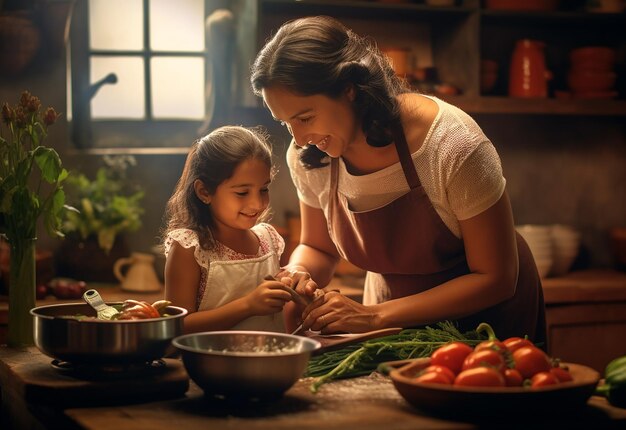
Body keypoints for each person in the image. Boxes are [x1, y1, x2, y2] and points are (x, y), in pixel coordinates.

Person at [251, 16, 546, 343]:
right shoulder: (311, 155)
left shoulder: (452, 146)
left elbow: (496, 278)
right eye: (286, 123)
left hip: (485, 327)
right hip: (387, 323)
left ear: (349, 88)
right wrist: (298, 272)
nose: (299, 137)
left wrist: (374, 315)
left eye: (305, 117)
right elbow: (317, 247)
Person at [162, 125, 294, 333]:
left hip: (268, 361)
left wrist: (297, 290)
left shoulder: (268, 238)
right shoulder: (190, 248)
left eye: (263, 189)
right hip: (210, 363)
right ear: (204, 192)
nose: (257, 204)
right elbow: (176, 327)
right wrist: (248, 306)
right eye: (242, 192)